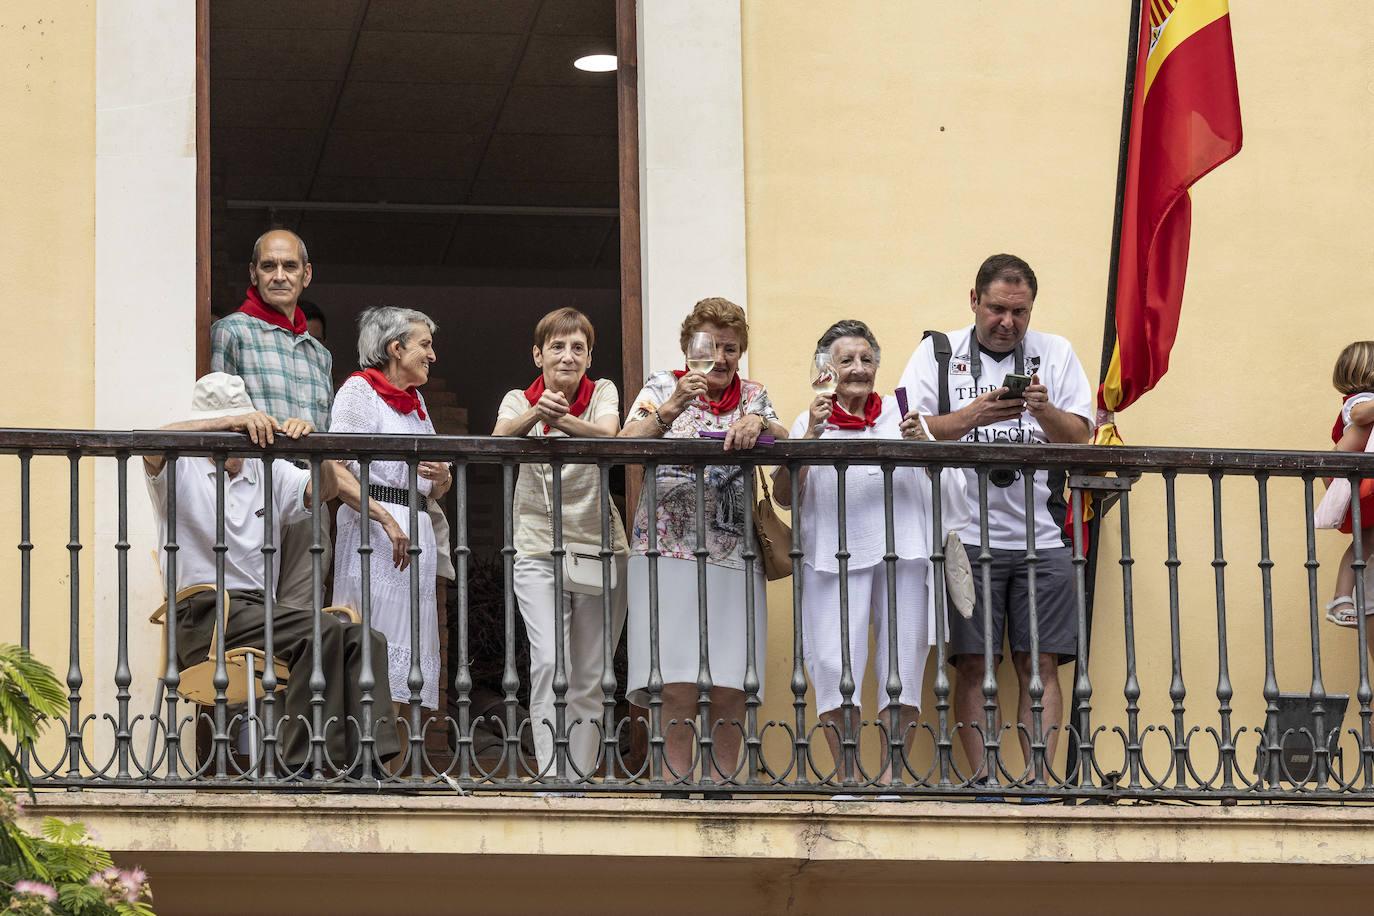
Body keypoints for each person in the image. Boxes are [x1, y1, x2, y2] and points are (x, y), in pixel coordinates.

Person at [897, 253, 1092, 787]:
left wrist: (1042, 410)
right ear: (974, 301)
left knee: (1042, 666)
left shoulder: (1056, 353)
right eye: (997, 309)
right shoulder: (938, 353)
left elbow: (1082, 438)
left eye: (1020, 311)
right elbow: (906, 428)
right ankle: (983, 781)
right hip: (966, 536)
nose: (1008, 322)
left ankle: (1039, 781)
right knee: (975, 665)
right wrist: (972, 417)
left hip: (1045, 537)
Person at [143, 373, 399, 772]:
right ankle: (301, 764)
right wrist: (225, 424)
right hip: (203, 614)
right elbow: (150, 441)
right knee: (325, 631)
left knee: (365, 639)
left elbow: (324, 490)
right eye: (232, 431)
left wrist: (318, 451)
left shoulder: (269, 470)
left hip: (262, 614)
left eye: (244, 432)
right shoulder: (180, 468)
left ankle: (371, 766)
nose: (237, 444)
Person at [774, 320, 970, 787]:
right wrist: (809, 440)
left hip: (903, 553)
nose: (859, 369)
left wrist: (925, 449)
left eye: (866, 359)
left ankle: (890, 776)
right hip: (830, 557)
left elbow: (953, 491)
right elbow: (784, 496)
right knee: (830, 662)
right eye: (847, 361)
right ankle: (846, 776)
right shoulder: (809, 421)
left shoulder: (904, 416)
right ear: (826, 369)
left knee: (901, 664)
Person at [620, 297, 789, 783]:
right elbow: (626, 442)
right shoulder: (660, 386)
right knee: (673, 683)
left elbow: (785, 435)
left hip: (735, 555)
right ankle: (674, 793)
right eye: (709, 346)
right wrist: (672, 407)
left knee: (730, 685)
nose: (720, 357)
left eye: (730, 348)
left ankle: (722, 794)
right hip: (665, 552)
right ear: (688, 347)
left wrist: (759, 424)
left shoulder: (753, 395)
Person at [494, 307, 628, 780]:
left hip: (599, 548)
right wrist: (538, 412)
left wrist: (564, 421)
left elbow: (610, 435)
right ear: (538, 355)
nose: (567, 356)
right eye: (557, 346)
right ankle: (553, 777)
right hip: (535, 546)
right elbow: (500, 436)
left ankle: (580, 779)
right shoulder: (518, 398)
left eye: (577, 348)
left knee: (590, 673)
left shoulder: (604, 392)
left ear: (589, 356)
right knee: (551, 662)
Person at [330, 307, 450, 723]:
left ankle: (395, 771)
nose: (432, 355)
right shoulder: (358, 393)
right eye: (425, 345)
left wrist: (441, 476)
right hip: (374, 537)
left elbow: (438, 481)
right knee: (372, 650)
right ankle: (365, 766)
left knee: (407, 660)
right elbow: (335, 472)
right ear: (395, 348)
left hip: (414, 536)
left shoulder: (416, 403)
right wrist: (384, 518)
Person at [211, 230, 335, 610]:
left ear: (306, 275)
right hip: (253, 496)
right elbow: (214, 416)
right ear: (253, 274)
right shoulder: (230, 332)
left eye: (290, 266)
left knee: (302, 620)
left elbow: (327, 431)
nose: (279, 275)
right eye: (269, 266)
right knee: (247, 614)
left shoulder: (319, 353)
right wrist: (247, 419)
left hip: (310, 498)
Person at [1322, 341, 1374, 627]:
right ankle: (1342, 597)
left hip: (1363, 481)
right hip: (1359, 482)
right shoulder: (1359, 401)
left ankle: (1343, 599)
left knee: (1366, 542)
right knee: (1363, 542)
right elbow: (1360, 416)